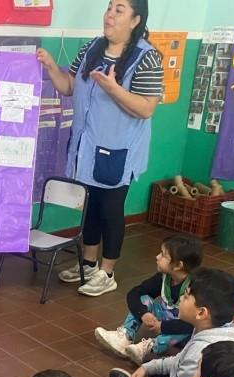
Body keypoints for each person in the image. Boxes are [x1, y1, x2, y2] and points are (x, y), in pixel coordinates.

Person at [36, 0, 164, 297]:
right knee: (90, 206)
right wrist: (51, 65)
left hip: (119, 151)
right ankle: (89, 264)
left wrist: (113, 88)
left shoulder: (147, 58)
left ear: (135, 20)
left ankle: (107, 272)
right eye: (109, 7)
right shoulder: (92, 48)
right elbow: (69, 86)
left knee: (110, 209)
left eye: (119, 9)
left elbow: (146, 109)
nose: (109, 14)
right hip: (86, 147)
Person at [94, 234, 202, 364]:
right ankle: (124, 337)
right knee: (143, 299)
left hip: (188, 331)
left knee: (187, 328)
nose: (157, 257)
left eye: (162, 255)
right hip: (167, 323)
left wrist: (163, 326)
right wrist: (143, 313)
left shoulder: (197, 286)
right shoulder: (164, 278)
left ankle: (150, 349)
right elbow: (134, 293)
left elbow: (194, 323)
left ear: (178, 265)